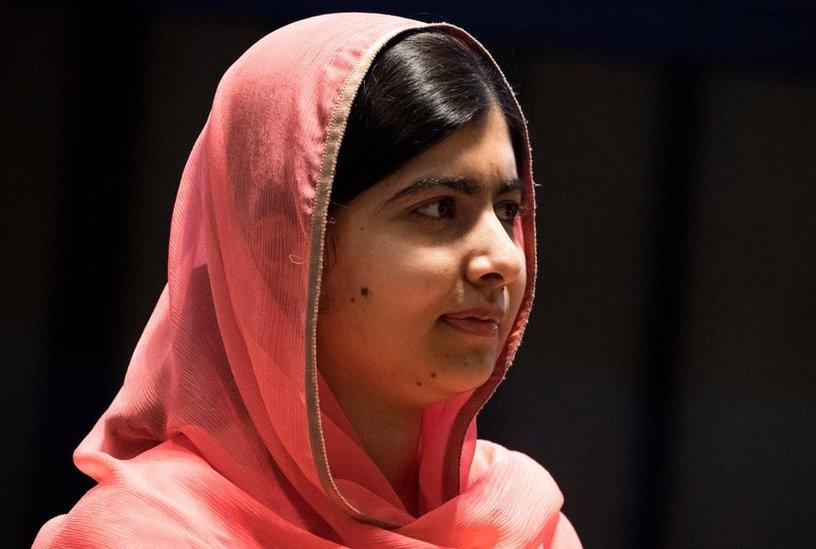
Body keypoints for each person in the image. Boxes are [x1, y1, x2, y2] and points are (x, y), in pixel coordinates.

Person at [34, 12, 581, 547]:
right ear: (286, 247)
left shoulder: (526, 525)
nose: (504, 260)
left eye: (508, 210)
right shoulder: (145, 536)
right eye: (439, 209)